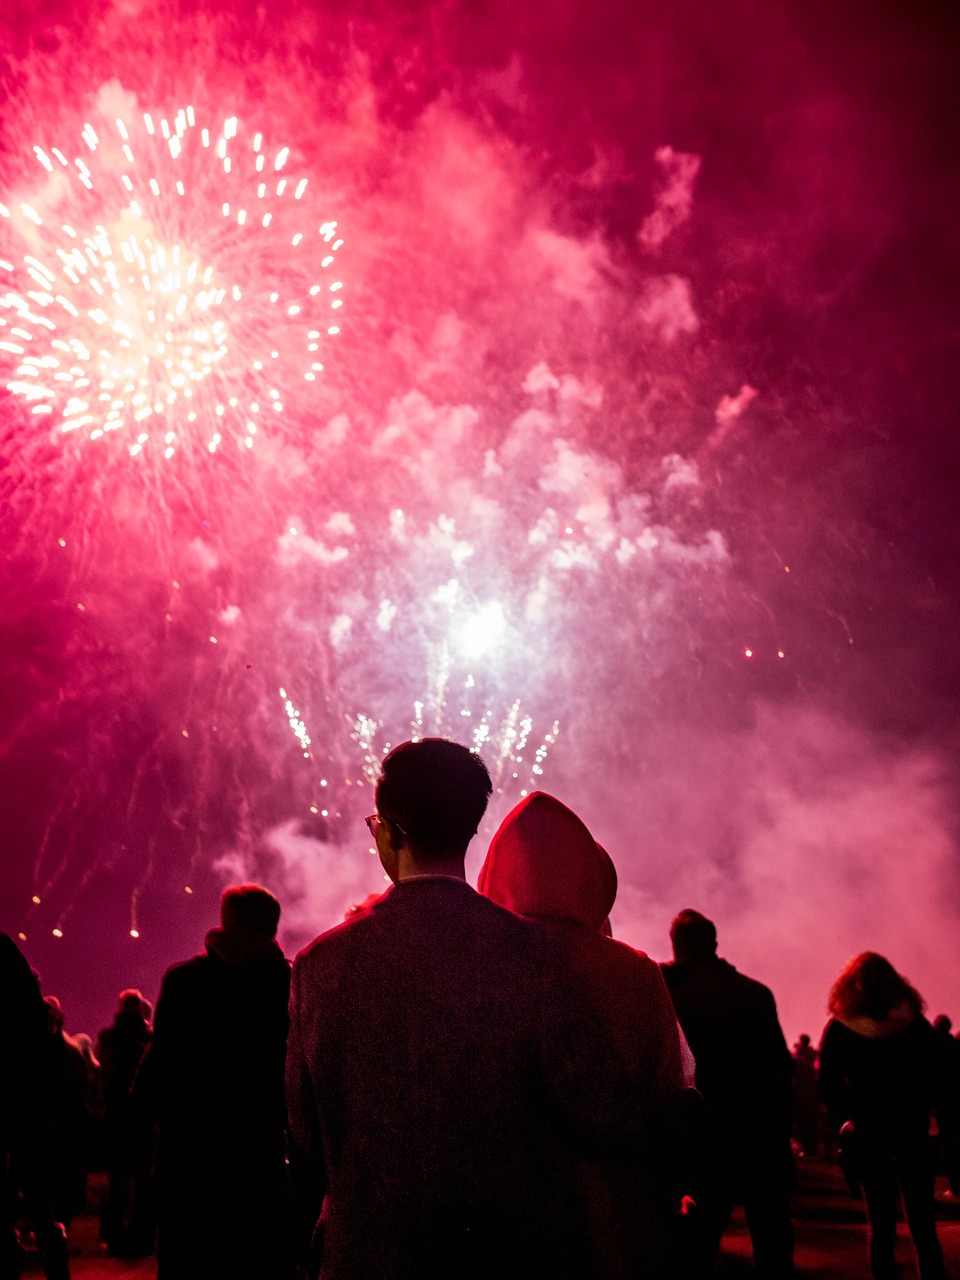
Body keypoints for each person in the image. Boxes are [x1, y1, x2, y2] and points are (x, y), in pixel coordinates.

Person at [286, 739, 657, 1280]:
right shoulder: (533, 955)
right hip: (504, 1255)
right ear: (468, 831)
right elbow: (598, 1112)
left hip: (366, 1255)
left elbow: (304, 1136)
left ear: (387, 831)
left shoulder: (319, 964)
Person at [477, 790, 684, 1279]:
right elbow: (670, 1089)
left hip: (502, 1219)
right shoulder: (635, 972)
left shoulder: (475, 963)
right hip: (615, 1214)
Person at [136, 883, 292, 1279]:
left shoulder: (184, 980)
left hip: (189, 1152)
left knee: (188, 1259)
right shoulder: (289, 983)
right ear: (272, 927)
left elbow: (161, 1063)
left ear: (226, 921)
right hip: (258, 1149)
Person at [661, 909, 795, 1278]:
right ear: (714, 943)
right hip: (760, 1132)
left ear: (678, 946)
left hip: (708, 1135)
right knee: (772, 1241)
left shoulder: (672, 994)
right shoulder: (755, 993)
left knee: (698, 1245)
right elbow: (782, 1066)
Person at [818, 952, 951, 1280]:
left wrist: (846, 1117)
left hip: (868, 1130)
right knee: (923, 1225)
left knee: (880, 1224)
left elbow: (827, 1085)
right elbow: (938, 1076)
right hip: (912, 1127)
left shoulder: (841, 1026)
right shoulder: (914, 1023)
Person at [0, 935, 70, 1280]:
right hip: (25, 1100)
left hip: (19, 1098)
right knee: (36, 1193)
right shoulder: (9, 956)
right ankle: (55, 1261)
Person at [96, 990, 153, 1257]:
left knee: (117, 1178)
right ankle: (141, 1234)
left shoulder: (107, 1039)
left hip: (116, 1117)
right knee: (144, 1178)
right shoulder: (148, 1039)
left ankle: (112, 1233)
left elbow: (104, 1077)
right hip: (144, 1116)